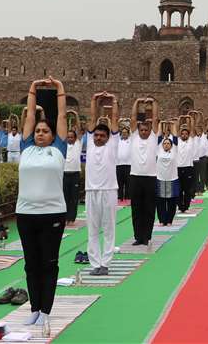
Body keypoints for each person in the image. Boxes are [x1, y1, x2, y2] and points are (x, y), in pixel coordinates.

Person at [16, 77, 69, 336]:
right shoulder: (25, 148)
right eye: (37, 131)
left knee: (48, 264)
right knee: (30, 264)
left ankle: (46, 310)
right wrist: (32, 89)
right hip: (26, 214)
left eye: (44, 131)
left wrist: (59, 89)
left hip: (52, 215)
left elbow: (60, 115)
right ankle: (34, 309)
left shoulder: (59, 149)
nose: (39, 133)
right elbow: (28, 116)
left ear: (53, 136)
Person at [85, 91, 120, 276]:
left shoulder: (112, 145)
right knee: (92, 229)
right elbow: (92, 118)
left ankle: (105, 263)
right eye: (96, 135)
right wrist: (94, 100)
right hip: (91, 191)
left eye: (102, 135)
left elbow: (114, 120)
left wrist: (113, 101)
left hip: (108, 190)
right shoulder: (90, 144)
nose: (98, 138)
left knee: (108, 228)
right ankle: (95, 263)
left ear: (108, 137)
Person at [129, 98, 159, 246]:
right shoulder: (133, 136)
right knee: (136, 209)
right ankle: (137, 236)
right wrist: (137, 102)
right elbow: (133, 118)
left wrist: (153, 103)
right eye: (142, 130)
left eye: (146, 130)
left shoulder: (154, 137)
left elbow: (155, 118)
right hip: (135, 177)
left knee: (148, 209)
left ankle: (146, 236)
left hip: (150, 177)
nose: (144, 132)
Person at [156, 122, 179, 226]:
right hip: (160, 179)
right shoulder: (158, 150)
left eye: (168, 143)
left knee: (171, 202)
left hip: (172, 179)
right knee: (160, 201)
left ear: (171, 145)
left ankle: (169, 220)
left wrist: (173, 125)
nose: (166, 145)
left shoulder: (174, 150)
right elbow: (159, 136)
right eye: (164, 143)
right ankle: (161, 220)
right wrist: (160, 124)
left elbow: (175, 137)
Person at [63, 119, 82, 226]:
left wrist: (75, 116)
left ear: (75, 138)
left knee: (74, 198)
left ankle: (71, 218)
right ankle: (65, 217)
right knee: (65, 197)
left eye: (72, 137)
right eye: (68, 137)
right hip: (64, 174)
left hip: (75, 174)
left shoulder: (78, 144)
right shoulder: (63, 146)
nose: (70, 138)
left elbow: (79, 131)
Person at [176, 116, 196, 213]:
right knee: (179, 189)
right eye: (182, 134)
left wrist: (190, 119)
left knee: (187, 189)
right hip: (178, 168)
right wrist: (179, 120)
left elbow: (192, 129)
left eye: (186, 134)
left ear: (188, 135)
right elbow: (176, 130)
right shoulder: (177, 142)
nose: (184, 135)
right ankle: (180, 206)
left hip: (188, 168)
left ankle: (186, 206)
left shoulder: (190, 142)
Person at [116, 127, 133, 202]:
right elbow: (114, 133)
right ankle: (119, 199)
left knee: (128, 183)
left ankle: (128, 199)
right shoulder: (118, 141)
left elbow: (133, 133)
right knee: (119, 183)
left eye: (125, 132)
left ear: (128, 134)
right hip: (118, 165)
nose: (124, 134)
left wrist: (129, 123)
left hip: (129, 165)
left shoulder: (131, 140)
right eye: (123, 132)